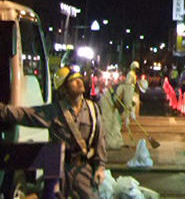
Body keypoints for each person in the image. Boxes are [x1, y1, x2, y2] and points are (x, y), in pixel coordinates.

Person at [0, 65, 107, 198]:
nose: (79, 82)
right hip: (60, 169)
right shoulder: (55, 111)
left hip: (83, 168)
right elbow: (26, 114)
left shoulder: (93, 109)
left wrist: (100, 167)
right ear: (64, 89)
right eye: (73, 80)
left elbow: (99, 140)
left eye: (79, 78)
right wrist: (3, 110)